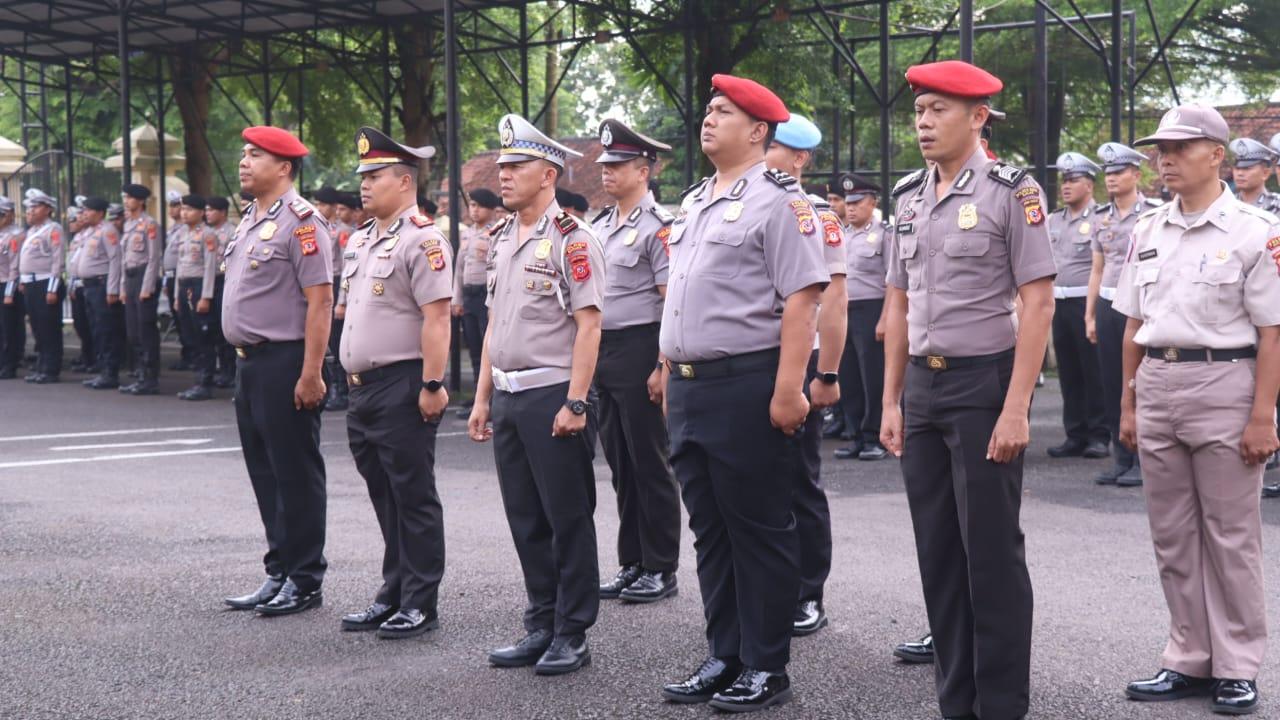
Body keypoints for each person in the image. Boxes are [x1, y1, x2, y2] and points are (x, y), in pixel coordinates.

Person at [880, 60, 1056, 720]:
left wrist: (1017, 408)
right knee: (938, 554)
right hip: (923, 388)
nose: (923, 123)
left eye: (938, 110)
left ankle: (1001, 705)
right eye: (918, 111)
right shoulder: (908, 196)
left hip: (984, 384)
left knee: (991, 554)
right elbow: (897, 305)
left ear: (978, 117)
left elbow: (1038, 304)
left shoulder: (1013, 192)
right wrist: (892, 400)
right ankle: (957, 701)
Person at [659, 74, 827, 713]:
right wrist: (666, 369)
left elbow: (802, 300)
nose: (708, 119)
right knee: (711, 531)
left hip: (747, 385)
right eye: (708, 110)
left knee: (758, 529)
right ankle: (724, 654)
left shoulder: (781, 201)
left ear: (758, 131)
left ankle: (765, 664)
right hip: (690, 387)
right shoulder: (696, 199)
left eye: (723, 112)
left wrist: (789, 390)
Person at [1116, 104, 1279, 717]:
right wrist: (1128, 401)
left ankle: (1236, 665)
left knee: (1231, 536)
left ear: (1217, 154)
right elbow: (1133, 323)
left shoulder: (1254, 231)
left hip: (1225, 382)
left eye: (1180, 148)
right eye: (1160, 149)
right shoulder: (1148, 229)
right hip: (1158, 380)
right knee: (1173, 534)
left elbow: (1272, 333)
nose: (1165, 159)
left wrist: (1262, 415)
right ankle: (1188, 656)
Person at [467, 114, 606, 676]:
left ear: (548, 175)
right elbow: (493, 326)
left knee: (567, 518)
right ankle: (541, 622)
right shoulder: (502, 238)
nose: (503, 175)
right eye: (502, 166)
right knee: (526, 518)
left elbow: (590, 326)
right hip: (508, 394)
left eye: (516, 166)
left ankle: (572, 632)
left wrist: (576, 402)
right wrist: (481, 398)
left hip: (552, 395)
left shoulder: (573, 239)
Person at [337, 127, 452, 639]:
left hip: (402, 383)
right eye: (362, 176)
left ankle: (420, 600)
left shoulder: (422, 239)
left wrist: (433, 383)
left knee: (413, 494)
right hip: (361, 388)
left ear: (405, 181)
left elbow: (438, 318)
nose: (364, 184)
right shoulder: (362, 238)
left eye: (375, 176)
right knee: (384, 494)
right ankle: (395, 589)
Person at [221, 126, 333, 617]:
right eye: (243, 154)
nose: (243, 162)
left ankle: (305, 578)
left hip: (285, 361)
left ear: (284, 167)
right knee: (265, 473)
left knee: (295, 473)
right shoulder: (251, 219)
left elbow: (320, 301)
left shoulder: (303, 223)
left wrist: (311, 372)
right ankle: (279, 570)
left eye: (255, 155)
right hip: (249, 363)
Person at [763, 113, 848, 638]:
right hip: (748, 362)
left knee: (798, 481)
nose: (762, 155)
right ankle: (766, 588)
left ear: (798, 158)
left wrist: (827, 373)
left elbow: (833, 299)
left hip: (799, 361)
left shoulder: (816, 215)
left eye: (772, 147)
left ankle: (807, 591)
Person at [590, 118, 682, 605]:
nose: (607, 171)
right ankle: (633, 561)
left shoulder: (658, 227)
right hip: (604, 351)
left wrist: (662, 365)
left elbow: (671, 302)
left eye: (618, 164)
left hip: (642, 347)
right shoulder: (601, 225)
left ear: (644, 171)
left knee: (650, 460)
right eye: (605, 164)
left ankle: (661, 566)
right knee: (620, 462)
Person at [1084, 142, 1163, 487]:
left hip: (1141, 306)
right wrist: (1089, 315)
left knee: (1140, 381)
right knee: (1111, 379)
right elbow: (1097, 269)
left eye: (1118, 172)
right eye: (1108, 173)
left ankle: (1144, 458)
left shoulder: (1153, 214)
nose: (1112, 178)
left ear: (1136, 174)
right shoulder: (1100, 217)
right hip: (1108, 303)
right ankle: (1121, 456)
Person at [1047, 151, 1109, 460]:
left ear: (1089, 184)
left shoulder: (1101, 218)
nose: (1066, 186)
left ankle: (1099, 435)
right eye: (1064, 181)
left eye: (1073, 180)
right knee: (1069, 372)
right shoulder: (1053, 220)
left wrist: (1093, 312)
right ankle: (1075, 434)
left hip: (1087, 303)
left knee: (1093, 372)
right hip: (1059, 303)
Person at [833, 172, 891, 462]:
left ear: (872, 203)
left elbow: (894, 281)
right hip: (844, 311)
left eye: (858, 202)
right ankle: (855, 435)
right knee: (849, 377)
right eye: (849, 202)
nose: (851, 207)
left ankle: (874, 438)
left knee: (873, 378)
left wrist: (886, 318)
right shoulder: (841, 235)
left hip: (872, 311)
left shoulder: (884, 234)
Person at [452, 187, 501, 399]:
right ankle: (477, 397)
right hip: (469, 296)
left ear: (491, 210)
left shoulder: (497, 232)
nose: (474, 210)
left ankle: (491, 398)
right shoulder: (466, 233)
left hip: (485, 296)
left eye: (480, 206)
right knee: (473, 347)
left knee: (488, 348)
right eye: (472, 205)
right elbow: (458, 268)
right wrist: (457, 299)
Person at [71, 196, 123, 390]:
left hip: (102, 285)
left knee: (106, 330)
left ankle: (110, 373)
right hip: (89, 286)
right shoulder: (90, 232)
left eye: (88, 210)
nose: (84, 214)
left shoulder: (108, 230)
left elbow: (115, 260)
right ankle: (102, 370)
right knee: (96, 329)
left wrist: (113, 289)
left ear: (100, 213)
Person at [173, 195, 219, 401]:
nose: (184, 213)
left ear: (201, 213)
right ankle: (197, 380)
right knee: (190, 335)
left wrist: (206, 296)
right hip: (184, 286)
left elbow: (210, 267)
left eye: (189, 209)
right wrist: (177, 295)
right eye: (183, 209)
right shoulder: (182, 233)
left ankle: (205, 382)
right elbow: (179, 265)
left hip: (199, 287)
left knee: (203, 336)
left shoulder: (208, 234)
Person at [119, 183, 163, 395]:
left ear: (141, 201)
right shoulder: (128, 224)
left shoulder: (150, 224)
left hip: (144, 277)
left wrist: (147, 287)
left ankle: (150, 377)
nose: (126, 201)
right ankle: (140, 373)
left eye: (130, 198)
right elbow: (124, 259)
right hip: (130, 278)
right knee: (133, 331)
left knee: (146, 330)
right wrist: (122, 287)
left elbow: (154, 258)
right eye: (125, 197)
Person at [18, 189, 65, 384]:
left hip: (45, 283)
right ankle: (42, 365)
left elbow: (57, 260)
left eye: (35, 207)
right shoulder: (32, 231)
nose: (30, 211)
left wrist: (52, 288)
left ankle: (51, 369)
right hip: (31, 284)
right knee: (37, 327)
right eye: (29, 207)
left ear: (47, 209)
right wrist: (23, 280)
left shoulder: (53, 229)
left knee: (49, 327)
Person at [312, 186, 352, 411]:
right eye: (317, 204)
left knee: (336, 341)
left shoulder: (342, 231)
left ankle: (340, 390)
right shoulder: (317, 228)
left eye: (323, 204)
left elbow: (347, 267)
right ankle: (328, 386)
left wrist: (342, 300)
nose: (319, 208)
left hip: (337, 284)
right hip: (321, 283)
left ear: (335, 207)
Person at [0, 197, 26, 379]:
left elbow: (14, 267)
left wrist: (9, 292)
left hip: (7, 285)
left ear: (10, 215)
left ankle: (9, 364)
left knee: (9, 327)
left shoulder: (16, 235)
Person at [1229, 138, 1280, 214]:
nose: (1240, 173)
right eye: (1237, 168)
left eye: (1247, 168)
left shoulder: (1276, 205)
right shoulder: (1226, 204)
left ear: (1265, 173)